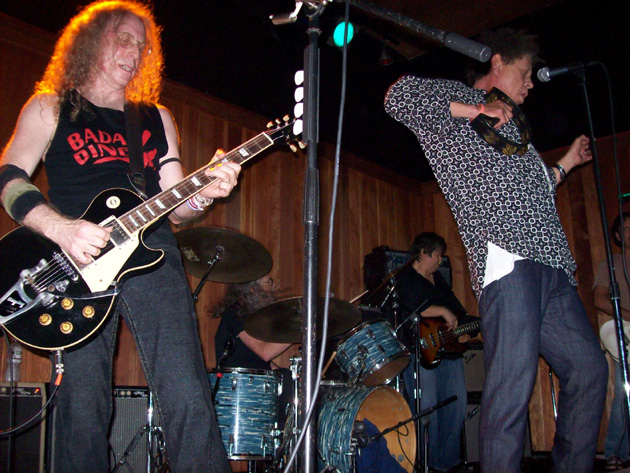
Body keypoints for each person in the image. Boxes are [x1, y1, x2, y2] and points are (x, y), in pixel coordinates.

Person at [0, 2, 241, 472]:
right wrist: (61, 228)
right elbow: (9, 177)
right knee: (83, 403)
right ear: (91, 40)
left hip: (153, 253)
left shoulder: (155, 117)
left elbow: (179, 205)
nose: (136, 51)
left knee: (187, 389)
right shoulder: (51, 106)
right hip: (74, 265)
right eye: (124, 38)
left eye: (143, 45)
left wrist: (204, 195)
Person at [384, 27, 608, 473]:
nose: (529, 86)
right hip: (510, 262)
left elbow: (537, 189)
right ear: (498, 63)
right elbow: (397, 96)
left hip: (554, 268)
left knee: (589, 371)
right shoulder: (456, 103)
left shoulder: (517, 134)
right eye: (524, 74)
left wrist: (566, 162)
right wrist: (476, 108)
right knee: (512, 390)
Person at [396, 232, 470, 472]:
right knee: (427, 408)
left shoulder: (440, 281)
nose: (440, 260)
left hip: (449, 352)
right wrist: (442, 311)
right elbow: (412, 308)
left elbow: (457, 312)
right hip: (422, 352)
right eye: (437, 255)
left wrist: (465, 329)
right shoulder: (405, 277)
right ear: (423, 253)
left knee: (457, 405)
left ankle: (448, 462)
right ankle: (426, 463)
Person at [594, 212, 630, 472]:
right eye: (627, 229)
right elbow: (599, 299)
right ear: (617, 236)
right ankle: (614, 452)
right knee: (624, 389)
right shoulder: (612, 264)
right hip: (625, 328)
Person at [213, 275, 292, 370]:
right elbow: (265, 352)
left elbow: (258, 361)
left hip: (253, 381)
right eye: (269, 282)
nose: (273, 286)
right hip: (238, 383)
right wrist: (300, 329)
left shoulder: (253, 316)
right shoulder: (237, 313)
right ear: (253, 289)